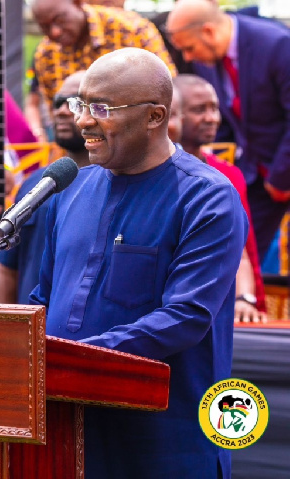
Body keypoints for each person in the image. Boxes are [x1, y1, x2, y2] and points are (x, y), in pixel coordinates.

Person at [29, 48, 247, 478]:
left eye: (101, 108)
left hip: (164, 446)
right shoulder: (70, 189)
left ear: (154, 117)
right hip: (66, 436)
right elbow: (45, 297)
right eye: (80, 105)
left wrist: (70, 361)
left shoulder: (207, 198)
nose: (83, 121)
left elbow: (185, 317)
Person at [166, 0, 290, 262]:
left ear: (208, 31)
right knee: (237, 249)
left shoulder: (277, 45)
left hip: (280, 169)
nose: (187, 58)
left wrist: (281, 178)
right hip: (258, 175)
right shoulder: (207, 58)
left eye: (188, 48)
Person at [172, 74, 267, 323]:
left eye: (214, 108)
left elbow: (241, 250)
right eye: (198, 110)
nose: (211, 118)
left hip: (229, 306)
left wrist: (244, 299)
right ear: (172, 115)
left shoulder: (228, 173)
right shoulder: (159, 173)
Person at [0, 72, 89, 305]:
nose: (61, 111)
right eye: (57, 103)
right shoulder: (35, 184)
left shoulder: (119, 183)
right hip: (29, 335)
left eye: (74, 102)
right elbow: (7, 272)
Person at [26, 0, 177, 139]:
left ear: (78, 3)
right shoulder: (46, 53)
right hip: (77, 153)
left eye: (59, 20)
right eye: (45, 27)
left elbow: (168, 91)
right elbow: (56, 115)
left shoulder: (131, 30)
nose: (55, 32)